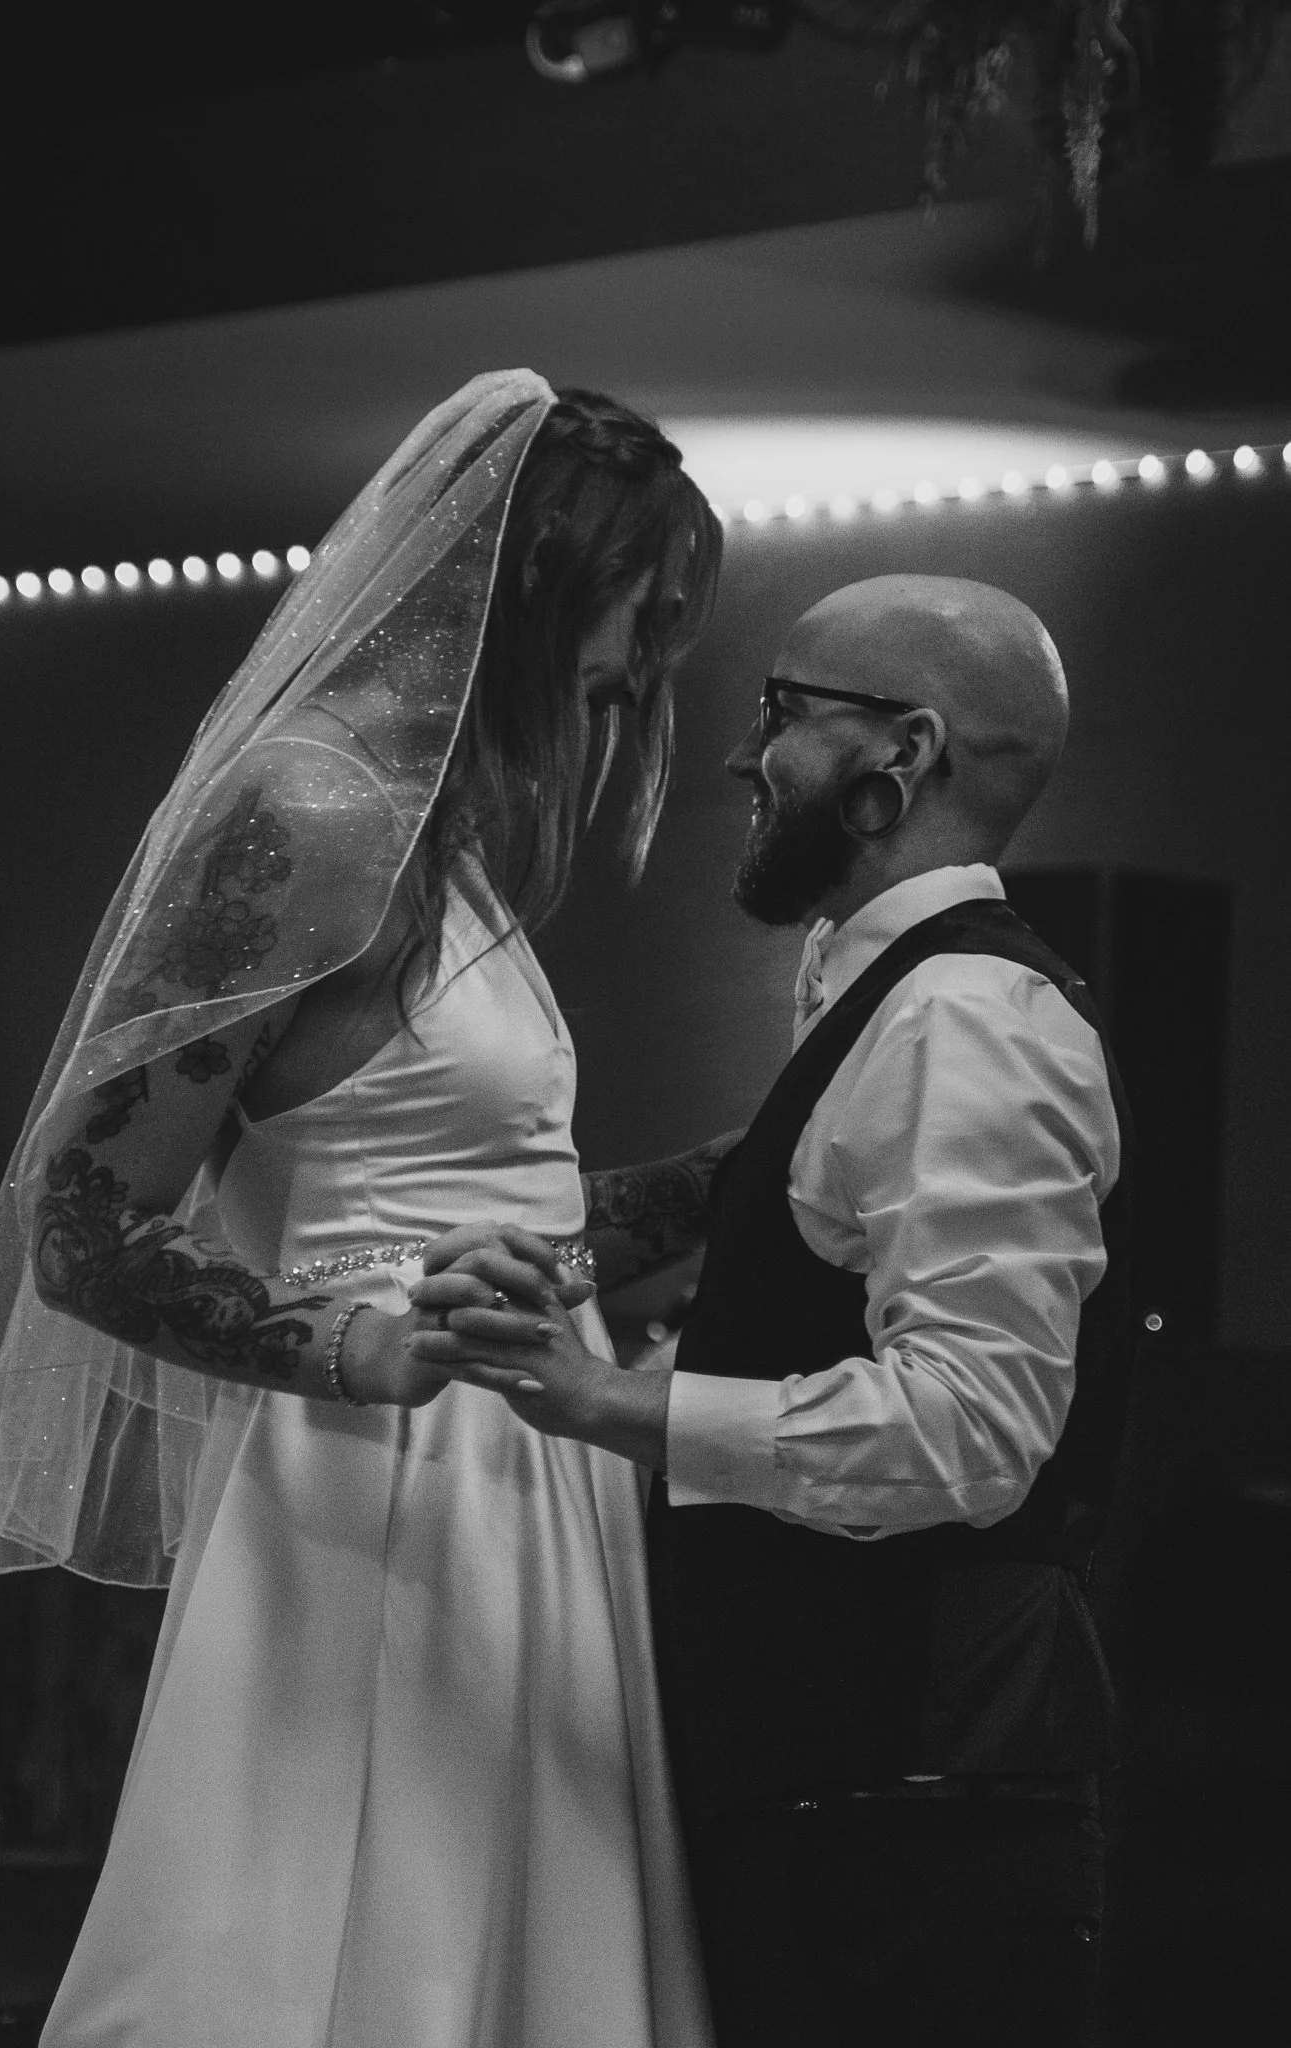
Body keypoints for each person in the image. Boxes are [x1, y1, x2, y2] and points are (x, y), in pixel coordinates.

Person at [0, 371, 726, 2048]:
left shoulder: (448, 855)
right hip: (375, 1476)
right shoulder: (313, 816)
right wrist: (362, 1347)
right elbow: (83, 1223)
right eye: (639, 612)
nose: (649, 668)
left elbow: (491, 1209)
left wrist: (749, 1168)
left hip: (518, 1463)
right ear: (532, 581)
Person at [419, 574, 1136, 2048]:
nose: (749, 757)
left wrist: (609, 1400)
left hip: (920, 1808)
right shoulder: (881, 995)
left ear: (905, 756)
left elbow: (974, 1432)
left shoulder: (970, 1021)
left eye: (787, 715)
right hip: (846, 1798)